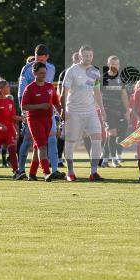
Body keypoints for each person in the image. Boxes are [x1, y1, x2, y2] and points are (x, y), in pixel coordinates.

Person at [59, 45, 104, 182]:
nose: (88, 58)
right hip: (73, 111)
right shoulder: (71, 71)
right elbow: (63, 93)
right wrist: (63, 109)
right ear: (80, 56)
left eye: (90, 55)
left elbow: (97, 92)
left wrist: (102, 109)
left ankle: (94, 172)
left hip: (90, 111)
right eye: (85, 55)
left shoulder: (95, 71)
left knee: (97, 138)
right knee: (70, 141)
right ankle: (70, 172)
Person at [15, 44, 59, 178]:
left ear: (47, 57)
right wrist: (24, 112)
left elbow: (52, 96)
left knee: (47, 142)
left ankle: (47, 171)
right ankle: (23, 170)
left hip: (47, 114)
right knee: (30, 142)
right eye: (36, 58)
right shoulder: (27, 70)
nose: (38, 61)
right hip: (32, 115)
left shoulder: (51, 70)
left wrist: (59, 111)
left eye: (41, 59)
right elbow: (21, 92)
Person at [21, 61, 63, 181]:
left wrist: (62, 113)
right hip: (34, 120)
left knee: (38, 147)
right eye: (41, 73)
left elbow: (56, 102)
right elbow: (24, 106)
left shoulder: (50, 86)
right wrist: (40, 106)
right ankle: (46, 172)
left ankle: (32, 174)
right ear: (34, 73)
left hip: (48, 120)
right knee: (42, 146)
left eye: (45, 73)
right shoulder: (29, 88)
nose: (43, 75)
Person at [101, 55, 130, 168]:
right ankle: (114, 160)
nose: (115, 66)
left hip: (119, 110)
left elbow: (124, 95)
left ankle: (104, 159)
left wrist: (127, 110)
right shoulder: (102, 78)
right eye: (112, 64)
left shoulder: (120, 79)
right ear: (108, 65)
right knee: (112, 133)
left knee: (112, 135)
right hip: (107, 110)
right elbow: (97, 95)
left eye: (117, 64)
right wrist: (100, 110)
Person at [0, 79, 20, 179]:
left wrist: (22, 118)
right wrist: (0, 125)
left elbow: (13, 116)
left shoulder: (10, 101)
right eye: (7, 86)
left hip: (8, 131)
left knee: (12, 150)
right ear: (1, 90)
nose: (9, 88)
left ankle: (16, 172)